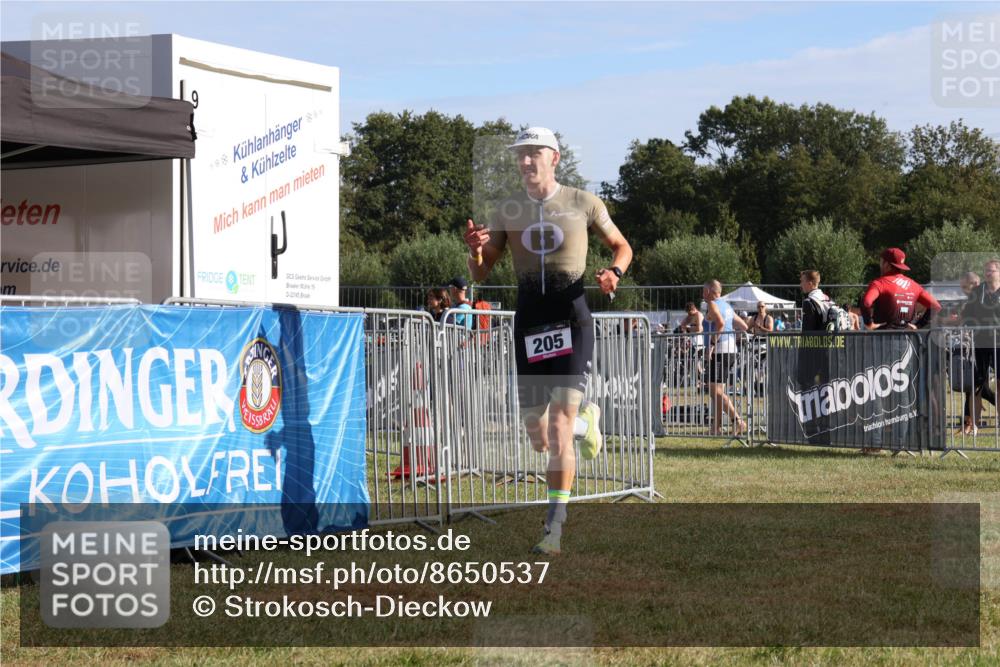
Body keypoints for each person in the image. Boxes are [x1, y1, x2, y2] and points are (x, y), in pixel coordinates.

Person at [463, 126, 633, 555]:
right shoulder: (508, 210)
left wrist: (614, 273)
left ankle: (553, 528)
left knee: (557, 427)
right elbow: (481, 273)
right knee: (538, 436)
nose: (524, 161)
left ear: (553, 157)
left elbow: (622, 246)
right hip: (530, 325)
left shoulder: (583, 202)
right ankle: (586, 423)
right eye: (519, 155)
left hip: (571, 320)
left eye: (533, 153)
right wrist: (475, 252)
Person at [702, 279, 748, 436]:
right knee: (716, 391)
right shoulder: (727, 306)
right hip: (729, 349)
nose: (702, 293)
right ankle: (717, 427)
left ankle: (738, 421)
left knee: (716, 390)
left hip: (721, 350)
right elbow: (744, 326)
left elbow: (720, 323)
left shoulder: (712, 304)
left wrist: (713, 343)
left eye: (704, 290)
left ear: (710, 291)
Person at [961, 259, 1000, 435]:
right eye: (985, 271)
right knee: (976, 384)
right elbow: (966, 315)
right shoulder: (977, 291)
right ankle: (973, 425)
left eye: (990, 271)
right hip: (980, 343)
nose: (987, 273)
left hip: (999, 344)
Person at [860, 248, 941, 330]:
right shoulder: (914, 285)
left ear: (886, 264)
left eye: (881, 262)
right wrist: (918, 325)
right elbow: (935, 306)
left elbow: (866, 302)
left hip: (882, 338)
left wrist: (869, 323)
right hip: (906, 338)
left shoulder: (879, 283)